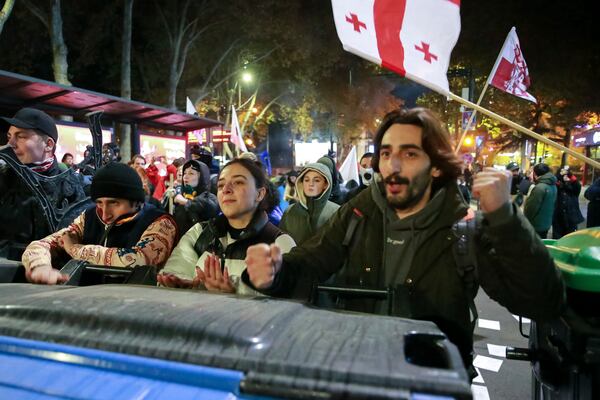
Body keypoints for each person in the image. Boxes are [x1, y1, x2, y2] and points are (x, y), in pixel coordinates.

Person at [243, 107, 564, 373]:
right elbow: (311, 262)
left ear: (437, 167)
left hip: (432, 383)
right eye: (386, 153)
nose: (392, 166)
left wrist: (506, 218)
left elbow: (541, 303)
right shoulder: (359, 211)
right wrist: (275, 272)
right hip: (357, 374)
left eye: (409, 154)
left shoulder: (464, 227)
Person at [22, 162, 178, 285]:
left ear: (135, 201)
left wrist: (74, 249)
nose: (105, 213)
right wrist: (40, 266)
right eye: (99, 203)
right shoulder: (89, 216)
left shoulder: (161, 222)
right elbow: (43, 244)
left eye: (114, 203)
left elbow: (139, 261)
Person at [158, 158, 295, 295]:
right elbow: (175, 271)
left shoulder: (279, 243)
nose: (226, 190)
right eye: (220, 185)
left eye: (238, 182)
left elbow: (288, 302)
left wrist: (235, 293)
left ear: (259, 194)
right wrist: (182, 286)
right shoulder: (199, 232)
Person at [0, 108, 86, 260]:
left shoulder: (69, 183)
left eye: (20, 137)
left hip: (51, 274)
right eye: (9, 137)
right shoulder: (4, 178)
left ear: (48, 144)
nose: (10, 144)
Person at [279, 163, 339, 245]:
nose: (311, 184)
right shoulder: (289, 211)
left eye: (317, 180)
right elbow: (283, 242)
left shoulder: (337, 212)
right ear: (301, 182)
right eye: (306, 180)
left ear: (326, 184)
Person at [171, 159, 219, 236]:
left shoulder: (209, 197)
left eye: (191, 173)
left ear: (202, 177)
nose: (186, 176)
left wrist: (184, 201)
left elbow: (210, 206)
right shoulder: (179, 194)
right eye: (184, 173)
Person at [523, 163, 557, 239]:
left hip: (536, 225)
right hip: (546, 223)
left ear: (535, 174)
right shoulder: (552, 185)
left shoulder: (539, 188)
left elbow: (531, 209)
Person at [552, 166, 584, 239]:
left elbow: (577, 186)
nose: (565, 177)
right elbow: (554, 182)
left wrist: (570, 176)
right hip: (558, 218)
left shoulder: (573, 186)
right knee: (557, 238)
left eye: (567, 175)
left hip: (571, 218)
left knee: (571, 239)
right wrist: (559, 177)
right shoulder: (556, 186)